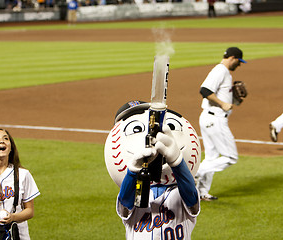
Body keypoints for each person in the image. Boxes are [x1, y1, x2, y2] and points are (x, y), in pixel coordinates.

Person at [104, 101, 201, 239]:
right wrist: (133, 170)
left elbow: (191, 196)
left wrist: (176, 161)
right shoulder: (136, 192)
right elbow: (126, 202)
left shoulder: (180, 193)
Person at [195, 47, 247, 201]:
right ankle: (195, 173)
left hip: (209, 118)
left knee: (211, 157)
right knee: (231, 157)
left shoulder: (225, 73)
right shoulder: (220, 70)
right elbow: (204, 90)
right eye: (239, 61)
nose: (239, 65)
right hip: (215, 119)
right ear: (232, 58)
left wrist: (234, 100)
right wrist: (223, 104)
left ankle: (201, 193)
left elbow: (220, 95)